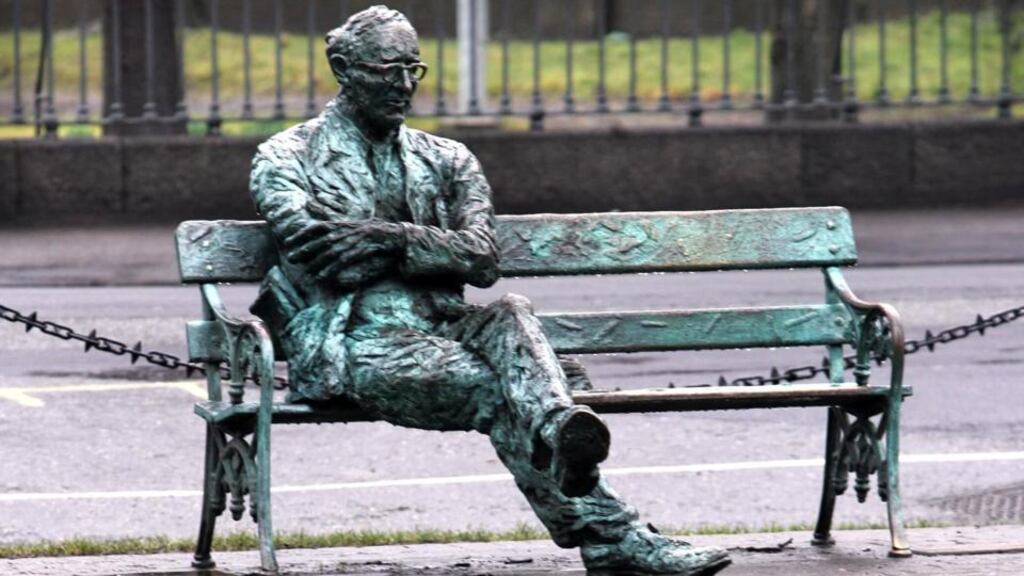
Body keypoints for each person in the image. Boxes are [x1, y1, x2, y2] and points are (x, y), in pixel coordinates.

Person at [248, 5, 730, 574]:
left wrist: (386, 236)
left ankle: (558, 429)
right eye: (387, 70)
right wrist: (428, 247)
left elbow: (481, 259)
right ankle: (614, 533)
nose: (404, 85)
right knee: (504, 388)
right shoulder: (285, 157)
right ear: (342, 67)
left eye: (414, 69)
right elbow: (317, 252)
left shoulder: (448, 159)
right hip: (354, 339)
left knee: (510, 312)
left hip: (445, 324)